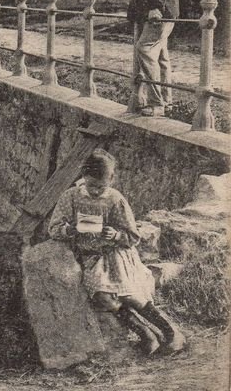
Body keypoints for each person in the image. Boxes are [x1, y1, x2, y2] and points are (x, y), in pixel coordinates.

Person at [49, 148, 185, 356]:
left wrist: (115, 235)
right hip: (91, 258)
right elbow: (54, 228)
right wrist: (71, 229)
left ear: (111, 179)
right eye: (91, 185)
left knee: (130, 297)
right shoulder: (71, 197)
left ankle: (171, 332)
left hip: (116, 254)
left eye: (100, 187)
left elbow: (132, 236)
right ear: (83, 177)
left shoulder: (115, 200)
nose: (95, 191)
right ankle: (146, 335)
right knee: (104, 298)